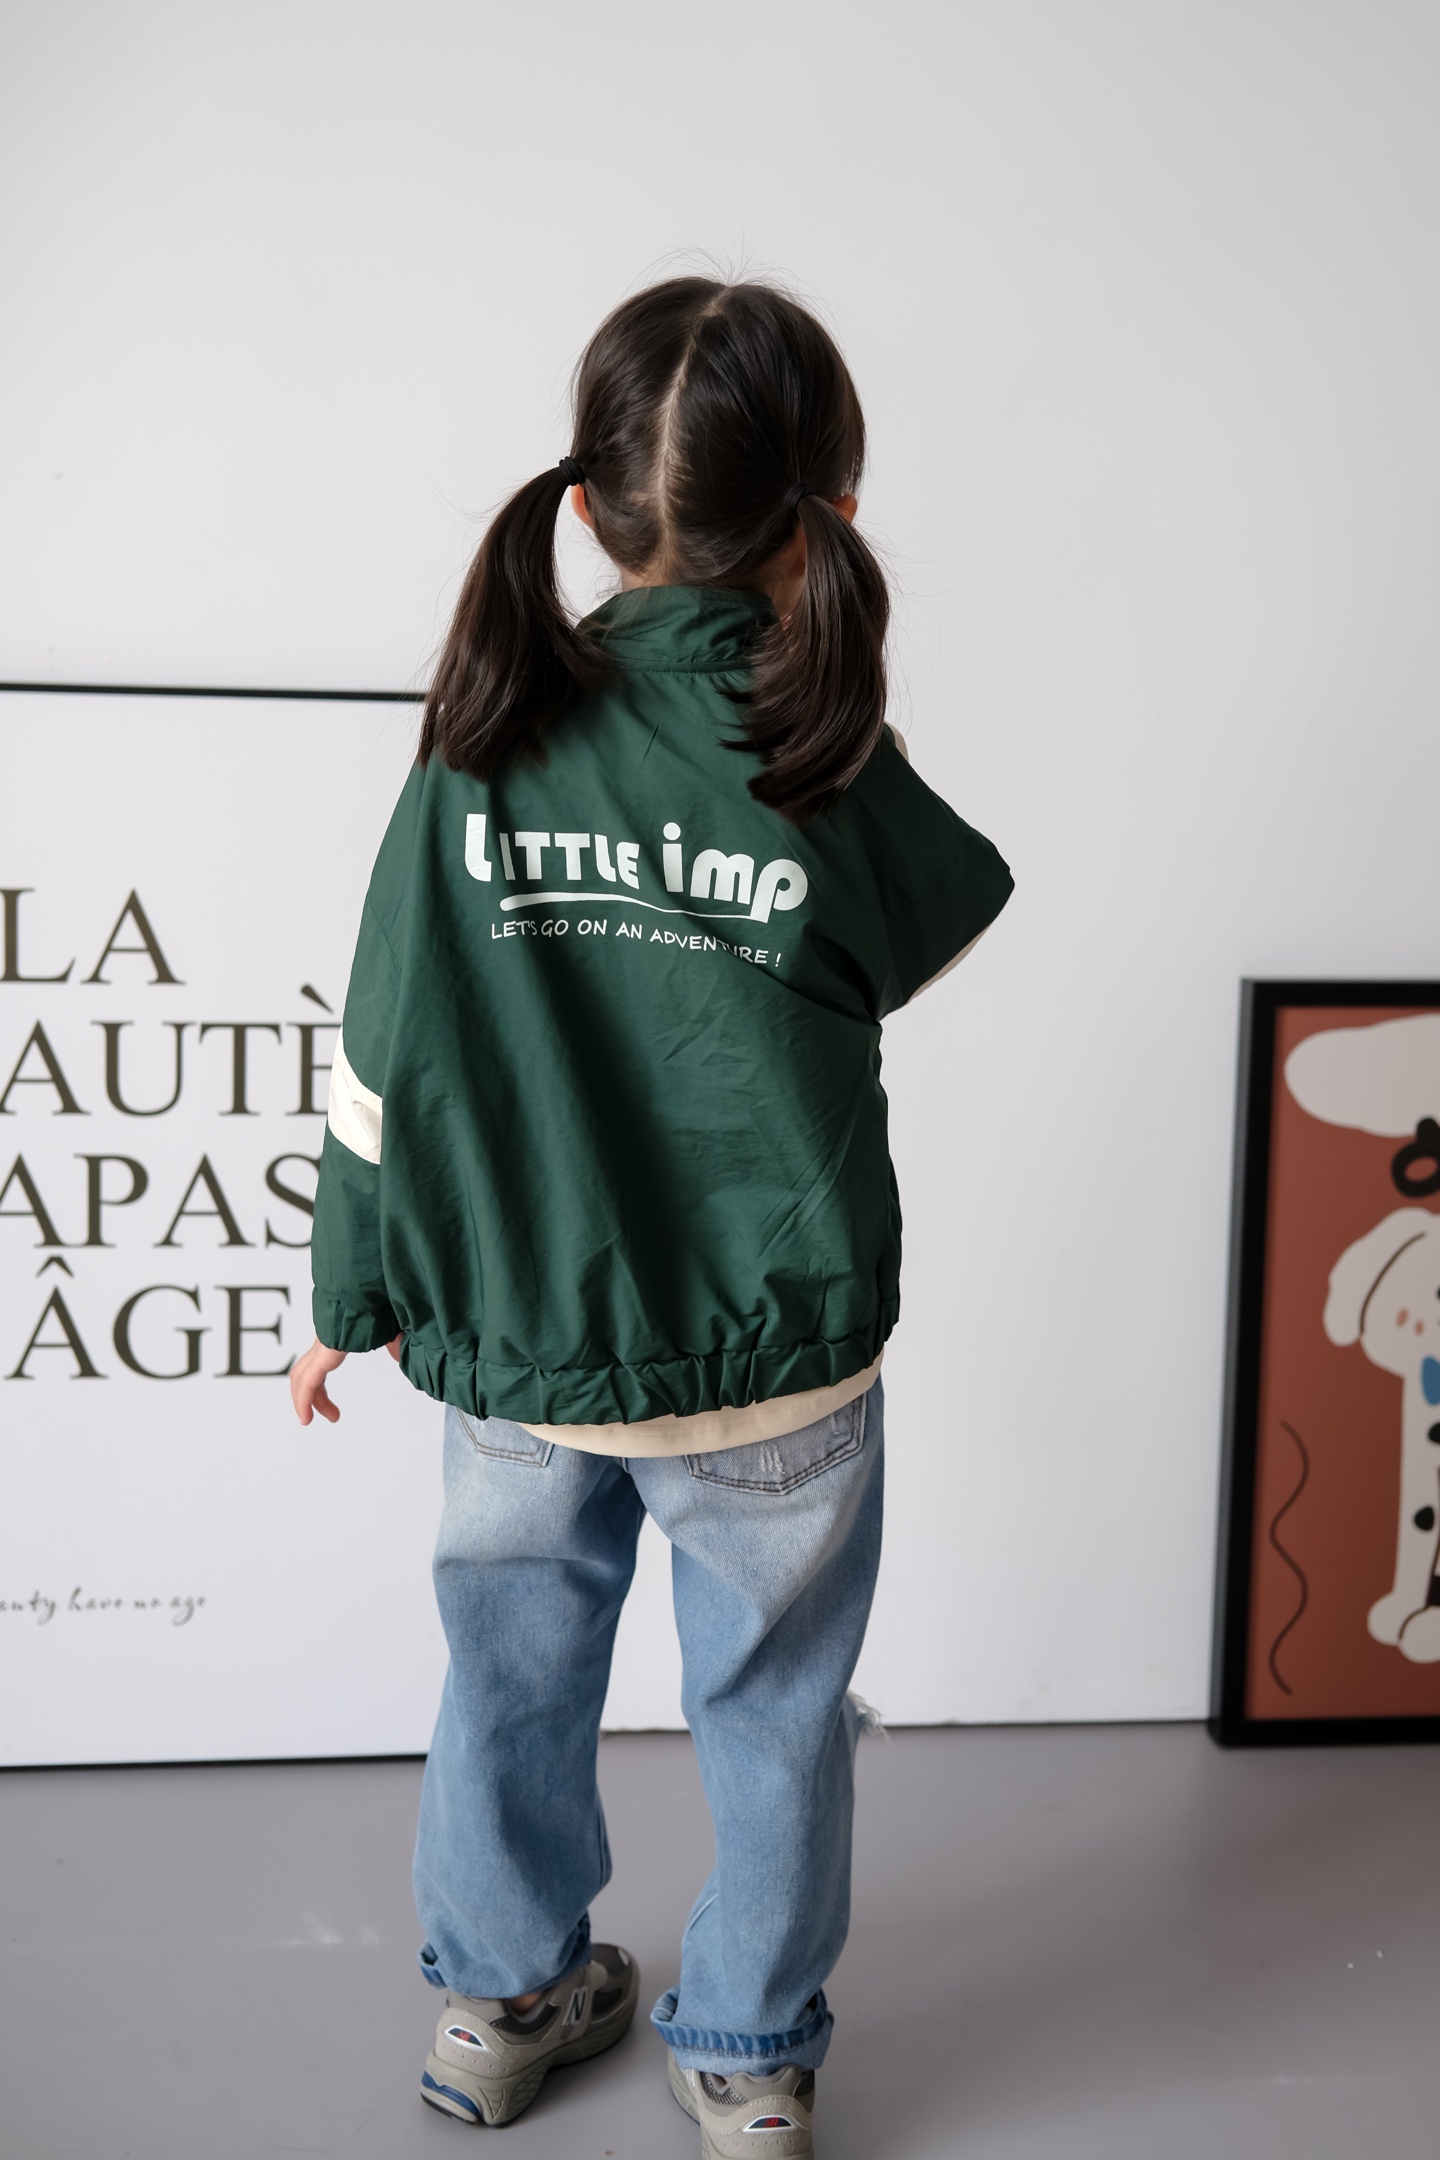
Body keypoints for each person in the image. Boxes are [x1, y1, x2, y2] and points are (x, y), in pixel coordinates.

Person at [289, 274, 1012, 2157]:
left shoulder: (482, 736)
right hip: (773, 1364)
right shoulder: (821, 752)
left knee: (505, 1683)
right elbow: (932, 928)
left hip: (518, 1347)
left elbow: (381, 1044)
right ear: (829, 513)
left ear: (596, 503)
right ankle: (752, 2061)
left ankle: (498, 2005)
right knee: (774, 1711)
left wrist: (351, 1291)